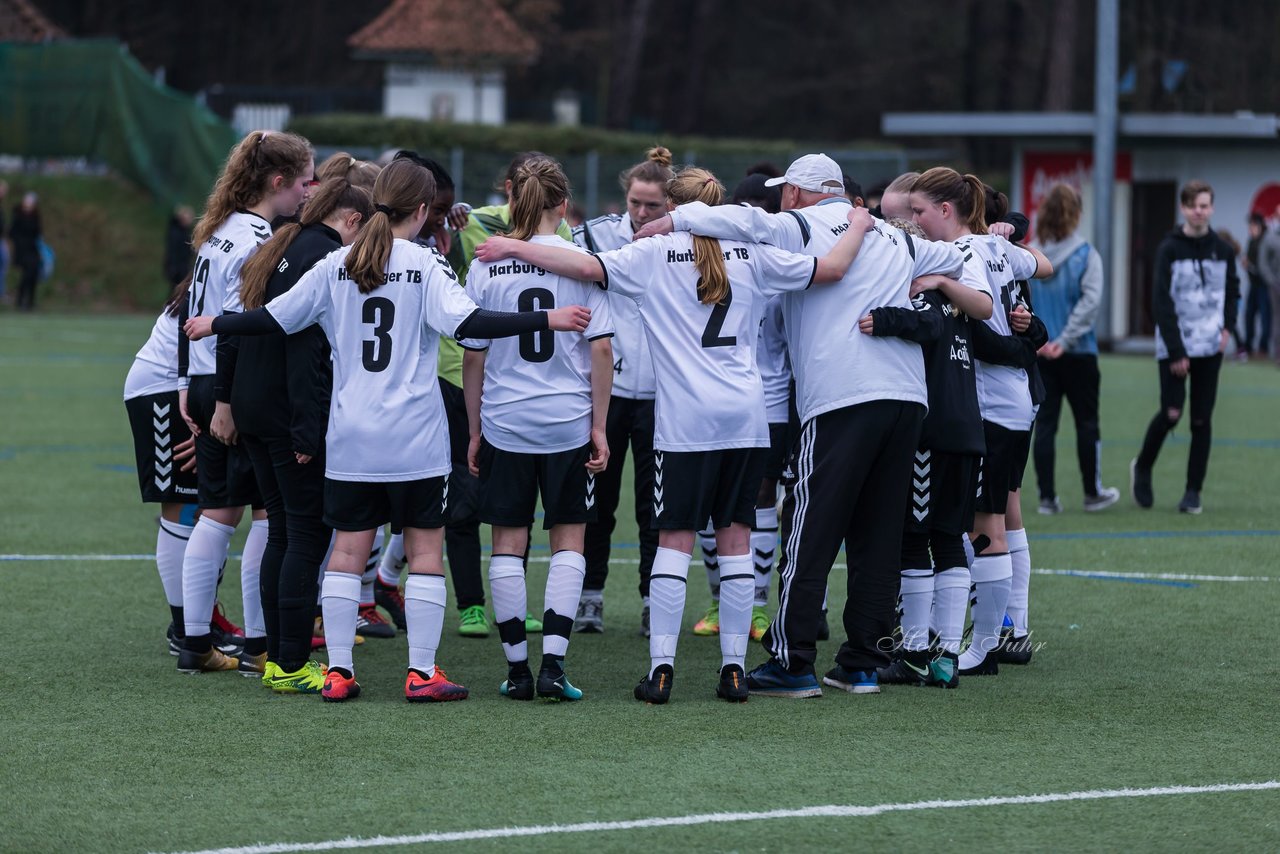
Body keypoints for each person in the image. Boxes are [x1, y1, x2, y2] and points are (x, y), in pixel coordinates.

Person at [186, 158, 593, 703]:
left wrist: (218, 323)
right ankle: (421, 674)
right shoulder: (426, 265)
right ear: (423, 211)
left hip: (351, 435)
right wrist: (548, 318)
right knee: (425, 552)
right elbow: (471, 326)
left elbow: (276, 318)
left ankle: (338, 673)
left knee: (347, 553)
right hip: (415, 439)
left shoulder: (338, 262)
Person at [476, 165, 874, 703]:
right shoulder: (753, 252)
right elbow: (831, 269)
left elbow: (584, 264)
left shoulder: (651, 254)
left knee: (674, 541)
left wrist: (514, 248)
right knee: (735, 539)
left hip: (685, 420)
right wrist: (857, 222)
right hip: (747, 416)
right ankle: (733, 670)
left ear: (673, 208)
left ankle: (662, 670)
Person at [635, 153, 971, 698]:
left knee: (808, 531)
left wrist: (674, 221)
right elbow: (960, 258)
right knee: (879, 536)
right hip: (908, 398)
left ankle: (793, 661)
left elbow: (742, 220)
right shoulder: (895, 237)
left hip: (841, 395)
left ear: (797, 193)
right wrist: (933, 279)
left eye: (785, 190)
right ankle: (861, 663)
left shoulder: (798, 225)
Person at [463, 157, 613, 701]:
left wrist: (475, 431)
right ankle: (554, 664)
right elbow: (601, 349)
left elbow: (473, 357)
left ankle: (518, 671)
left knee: (508, 541)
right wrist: (600, 427)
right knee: (569, 536)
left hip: (506, 421)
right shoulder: (582, 263)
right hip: (567, 423)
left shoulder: (484, 264)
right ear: (564, 207)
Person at [175, 129, 314, 674]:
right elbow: (232, 324)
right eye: (303, 182)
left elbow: (191, 310)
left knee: (217, 513)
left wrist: (191, 384)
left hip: (208, 379)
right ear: (278, 182)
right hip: (233, 384)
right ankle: (259, 642)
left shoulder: (219, 230)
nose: (308, 193)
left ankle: (194, 641)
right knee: (267, 515)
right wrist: (225, 401)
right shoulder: (260, 235)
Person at [231, 176, 374, 693]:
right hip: (285, 412)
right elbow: (303, 351)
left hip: (254, 405)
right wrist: (307, 431)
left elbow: (254, 322)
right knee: (304, 534)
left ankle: (275, 656)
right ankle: (291, 663)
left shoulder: (287, 241)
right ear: (353, 221)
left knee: (284, 532)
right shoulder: (324, 256)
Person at [909, 167, 1053, 676]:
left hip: (990, 404)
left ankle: (986, 646)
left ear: (947, 210)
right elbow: (1044, 265)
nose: (915, 220)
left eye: (920, 211)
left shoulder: (964, 255)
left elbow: (981, 330)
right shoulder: (992, 249)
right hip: (1013, 403)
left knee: (986, 523)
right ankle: (1002, 632)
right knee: (998, 518)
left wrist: (1017, 336)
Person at [857, 217, 992, 688]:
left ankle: (915, 653)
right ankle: (947, 659)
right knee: (949, 537)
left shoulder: (918, 293)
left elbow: (927, 324)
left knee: (915, 539)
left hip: (930, 435)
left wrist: (886, 319)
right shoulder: (957, 293)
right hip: (969, 431)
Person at [570, 146, 674, 636]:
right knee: (597, 501)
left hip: (661, 391)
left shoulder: (683, 240)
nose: (641, 213)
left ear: (671, 206)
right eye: (635, 202)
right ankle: (590, 598)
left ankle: (653, 600)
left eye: (653, 206)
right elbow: (547, 243)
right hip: (606, 392)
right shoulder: (595, 234)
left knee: (654, 507)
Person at [1132, 180, 1240, 514]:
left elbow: (1234, 291)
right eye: (1194, 205)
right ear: (1184, 208)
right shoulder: (1169, 249)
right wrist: (1178, 351)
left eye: (1205, 205)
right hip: (1175, 346)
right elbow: (1161, 301)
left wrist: (1227, 329)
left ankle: (1193, 492)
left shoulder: (1223, 250)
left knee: (1201, 420)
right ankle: (1144, 467)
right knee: (1172, 412)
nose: (1199, 211)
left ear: (1211, 208)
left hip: (1211, 346)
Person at [1028, 184, 1120, 515]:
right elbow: (1090, 303)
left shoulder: (1031, 255)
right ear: (1076, 213)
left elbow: (1022, 303)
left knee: (1046, 425)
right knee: (1087, 423)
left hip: (1040, 354)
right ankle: (1092, 493)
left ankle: (1047, 498)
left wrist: (1042, 341)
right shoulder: (1085, 255)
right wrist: (1065, 341)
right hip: (1078, 352)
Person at [124, 277, 202, 654]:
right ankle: (186, 628)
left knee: (209, 510)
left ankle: (200, 619)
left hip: (190, 387)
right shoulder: (244, 248)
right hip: (164, 389)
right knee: (184, 508)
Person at [1241, 213, 1270, 360]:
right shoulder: (1252, 241)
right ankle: (1248, 347)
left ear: (1259, 226)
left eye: (1252, 226)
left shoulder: (1266, 241)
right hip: (1253, 285)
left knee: (1266, 318)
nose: (1250, 229)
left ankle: (1263, 348)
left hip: (1264, 286)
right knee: (1249, 316)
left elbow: (1265, 267)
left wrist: (1251, 266)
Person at [9, 192, 42, 312]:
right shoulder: (18, 214)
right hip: (22, 250)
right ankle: (20, 300)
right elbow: (12, 232)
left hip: (33, 249)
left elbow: (38, 232)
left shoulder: (35, 216)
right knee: (26, 275)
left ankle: (30, 302)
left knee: (34, 274)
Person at [164, 206, 195, 293]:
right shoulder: (177, 233)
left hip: (181, 267)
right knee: (177, 292)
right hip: (178, 269)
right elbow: (174, 251)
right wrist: (174, 268)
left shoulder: (183, 231)